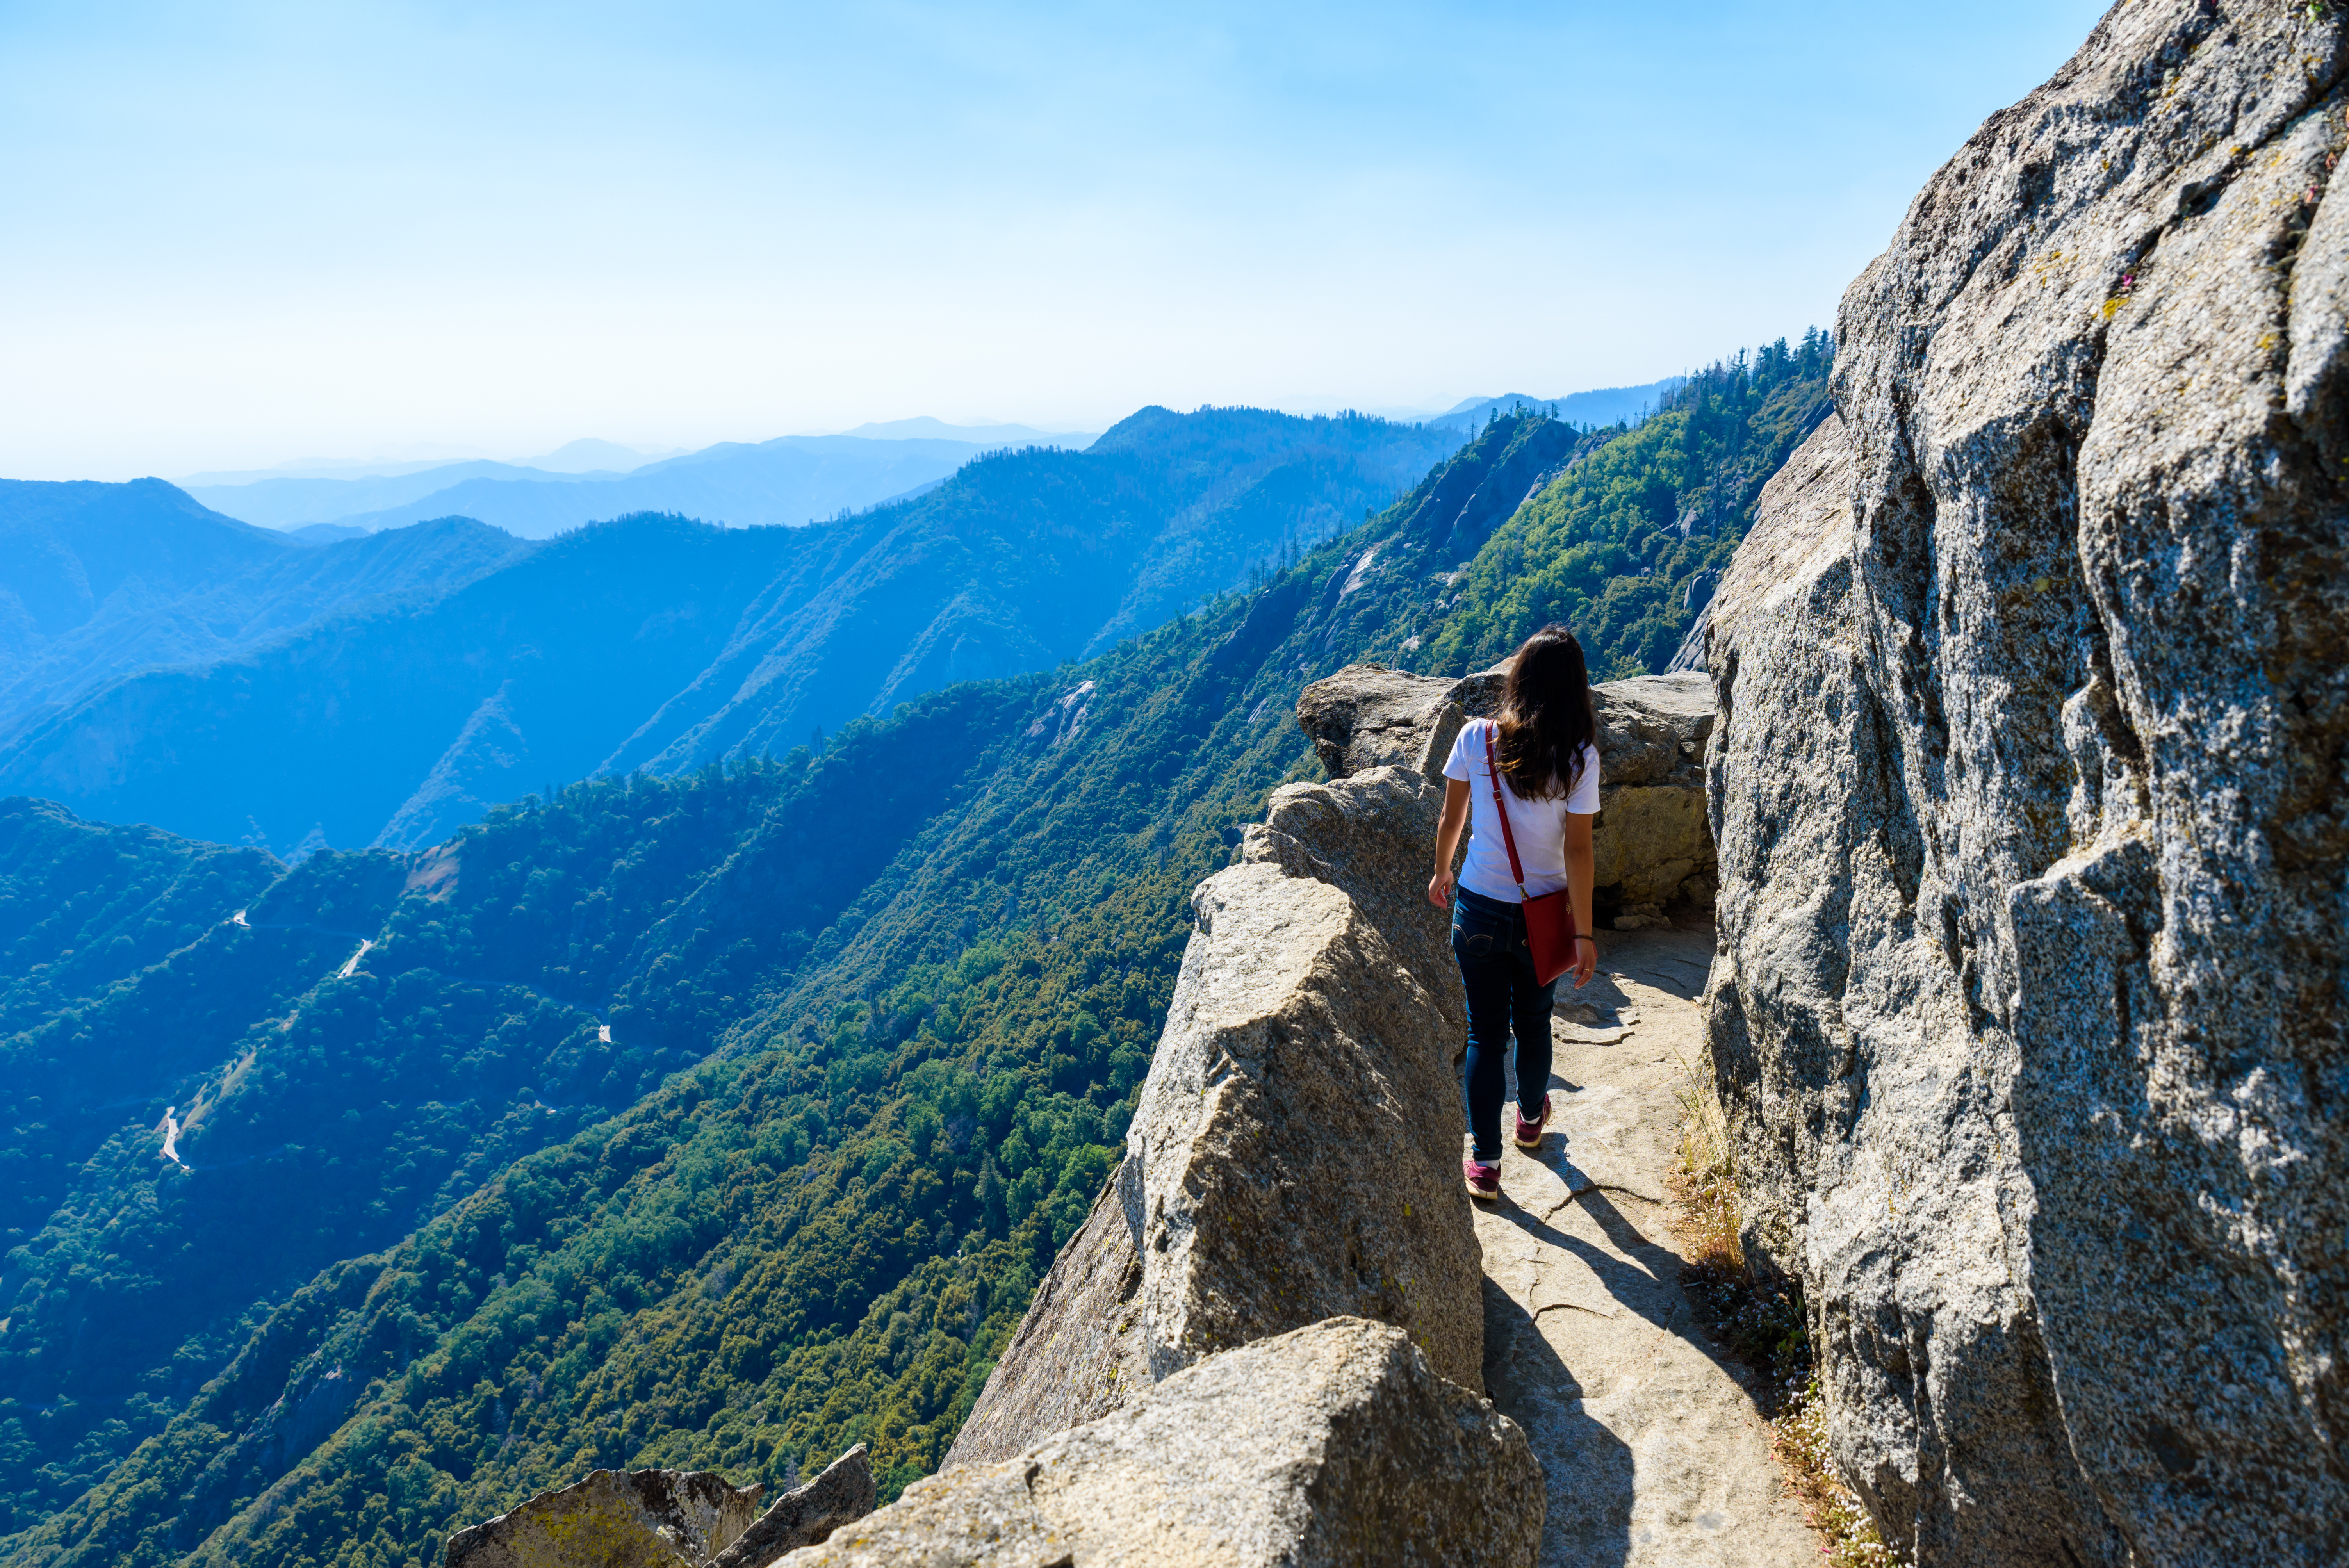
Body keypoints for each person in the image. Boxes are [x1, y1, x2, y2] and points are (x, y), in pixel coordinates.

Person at [1426, 624, 1600, 1201]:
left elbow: (1452, 821)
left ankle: (1485, 1163)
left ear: (1519, 679)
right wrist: (1584, 932)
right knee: (1533, 1022)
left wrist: (1442, 871)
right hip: (1541, 918)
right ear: (1576, 689)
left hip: (1477, 906)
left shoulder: (1477, 738)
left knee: (1485, 1034)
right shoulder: (1578, 757)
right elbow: (1578, 849)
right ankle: (1529, 1120)